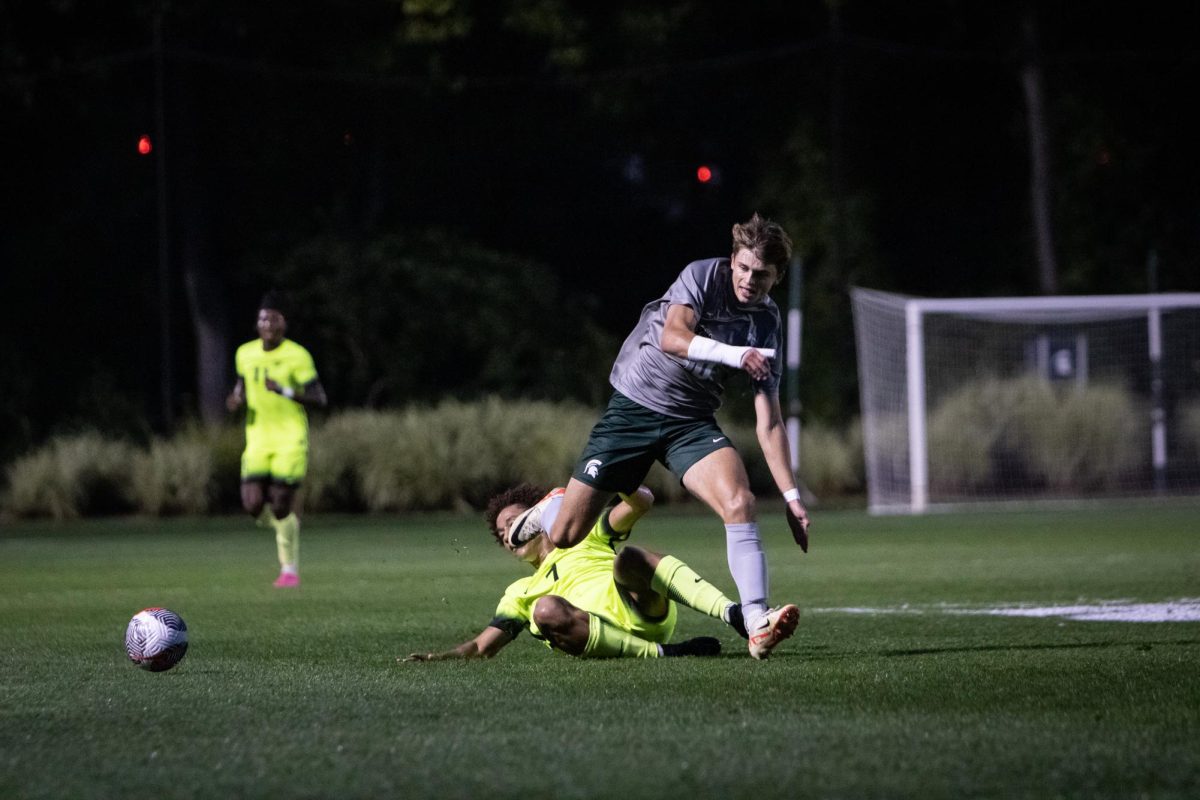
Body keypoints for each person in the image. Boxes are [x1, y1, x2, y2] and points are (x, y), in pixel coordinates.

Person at [507, 213, 809, 660]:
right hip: (634, 409)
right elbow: (672, 337)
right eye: (743, 267)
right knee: (569, 534)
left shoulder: (766, 323)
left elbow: (769, 422)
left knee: (740, 501)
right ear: (732, 260)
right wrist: (736, 354)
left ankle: (757, 621)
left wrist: (791, 496)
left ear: (776, 277)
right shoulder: (703, 276)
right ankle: (550, 507)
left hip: (689, 422)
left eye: (761, 274)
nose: (748, 279)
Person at [403, 484, 752, 661]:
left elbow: (642, 500)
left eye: (513, 524)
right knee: (545, 610)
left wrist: (611, 475)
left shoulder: (587, 533)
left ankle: (731, 612)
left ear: (539, 517)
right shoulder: (521, 591)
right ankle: (667, 654)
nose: (509, 536)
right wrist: (441, 658)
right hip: (591, 634)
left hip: (641, 608)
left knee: (629, 558)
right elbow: (482, 647)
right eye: (502, 534)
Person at [226, 290, 327, 587]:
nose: (267, 323)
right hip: (258, 437)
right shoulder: (245, 353)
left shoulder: (297, 355)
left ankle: (289, 570)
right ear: (257, 324)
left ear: (284, 323)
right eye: (262, 318)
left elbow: (320, 398)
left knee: (281, 503)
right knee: (252, 504)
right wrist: (236, 398)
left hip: (290, 437)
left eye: (273, 318)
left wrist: (284, 391)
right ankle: (288, 529)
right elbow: (241, 386)